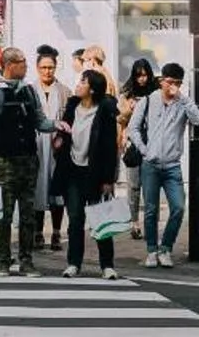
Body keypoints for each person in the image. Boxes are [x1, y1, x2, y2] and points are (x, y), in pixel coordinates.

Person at [125, 61, 199, 269]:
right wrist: (144, 150)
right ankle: (151, 250)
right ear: (161, 81)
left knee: (178, 207)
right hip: (150, 164)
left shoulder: (182, 103)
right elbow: (132, 128)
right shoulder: (149, 101)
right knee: (151, 210)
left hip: (172, 166)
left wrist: (183, 98)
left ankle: (166, 248)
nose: (172, 87)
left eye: (177, 83)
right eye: (169, 82)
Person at [0, 47, 51, 276]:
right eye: (23, 63)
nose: (27, 67)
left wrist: (57, 125)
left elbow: (40, 121)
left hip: (29, 161)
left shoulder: (29, 91)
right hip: (3, 162)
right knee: (3, 214)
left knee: (28, 214)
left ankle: (26, 260)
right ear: (10, 65)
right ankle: (3, 259)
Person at [53, 68, 123, 280]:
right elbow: (64, 131)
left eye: (82, 82)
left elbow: (110, 147)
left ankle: (107, 265)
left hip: (95, 172)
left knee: (101, 219)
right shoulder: (73, 106)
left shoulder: (104, 111)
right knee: (75, 219)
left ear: (92, 89)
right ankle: (74, 263)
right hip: (72, 171)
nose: (78, 84)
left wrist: (108, 179)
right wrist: (59, 140)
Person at [31, 45, 71, 253]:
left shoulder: (64, 92)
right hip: (36, 146)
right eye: (44, 67)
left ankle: (56, 232)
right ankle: (38, 232)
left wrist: (62, 138)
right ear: (37, 68)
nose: (47, 71)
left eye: (51, 67)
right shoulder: (30, 90)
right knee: (37, 188)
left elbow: (70, 120)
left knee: (57, 192)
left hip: (57, 148)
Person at [116, 58, 157, 240]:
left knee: (150, 186)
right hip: (133, 144)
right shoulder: (126, 94)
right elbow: (119, 118)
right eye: (138, 75)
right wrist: (130, 110)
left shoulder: (156, 94)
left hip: (152, 143)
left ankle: (149, 224)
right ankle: (134, 222)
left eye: (145, 75)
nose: (142, 79)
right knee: (133, 186)